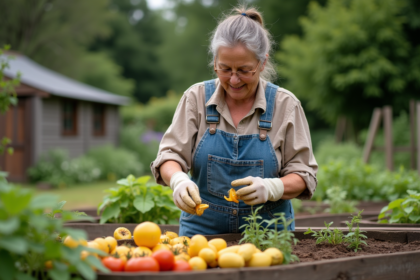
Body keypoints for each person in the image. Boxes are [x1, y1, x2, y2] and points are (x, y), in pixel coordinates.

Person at [150, 5, 318, 237]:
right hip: (202, 229)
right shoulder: (196, 98)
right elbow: (170, 156)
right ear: (215, 62)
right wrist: (178, 180)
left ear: (262, 63)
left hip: (268, 231)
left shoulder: (285, 105)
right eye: (225, 69)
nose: (234, 79)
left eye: (244, 70)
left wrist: (273, 188)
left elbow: (304, 175)